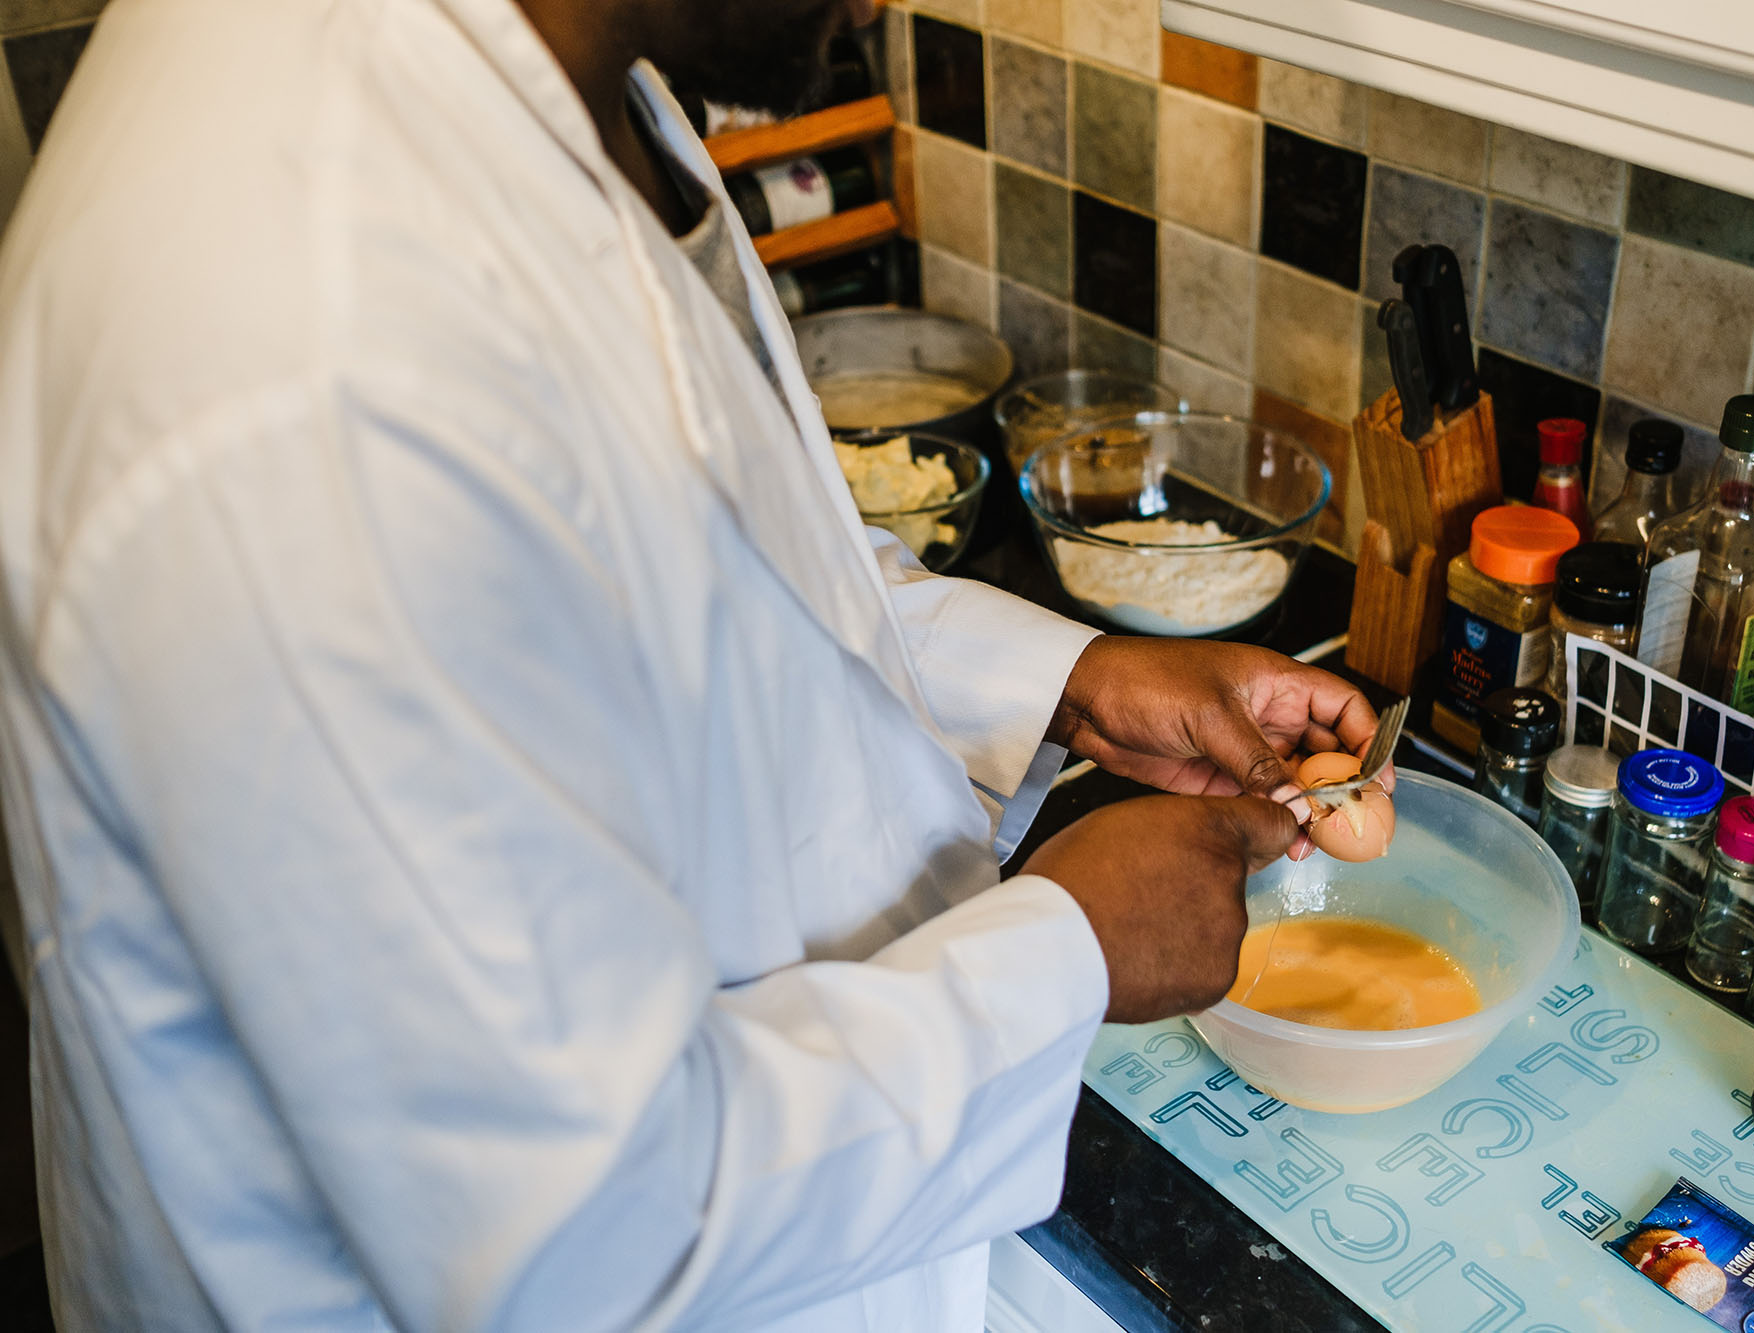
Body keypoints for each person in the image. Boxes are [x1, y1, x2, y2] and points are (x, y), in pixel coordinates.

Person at [0, 0, 1383, 1327]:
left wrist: (1073, 681)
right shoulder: (306, 350)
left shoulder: (559, 82)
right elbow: (564, 1234)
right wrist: (1070, 944)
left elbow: (711, 563)